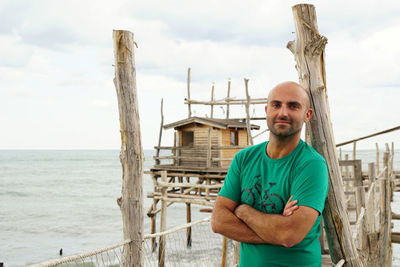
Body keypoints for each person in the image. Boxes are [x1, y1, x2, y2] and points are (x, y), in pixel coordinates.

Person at [211, 81, 329, 267]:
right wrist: (276, 230)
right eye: (276, 105)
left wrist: (243, 211)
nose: (283, 112)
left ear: (307, 115)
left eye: (293, 106)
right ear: (267, 110)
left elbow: (289, 235)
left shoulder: (311, 165)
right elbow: (219, 221)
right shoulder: (244, 159)